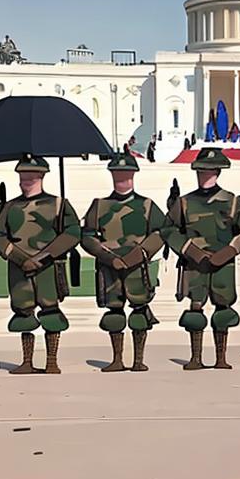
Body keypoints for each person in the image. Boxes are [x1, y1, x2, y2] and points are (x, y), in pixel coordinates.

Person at [0, 154, 81, 374]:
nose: (25, 181)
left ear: (41, 176)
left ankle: (51, 360)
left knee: (51, 313)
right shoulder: (10, 207)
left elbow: (73, 232)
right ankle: (27, 361)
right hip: (19, 268)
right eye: (22, 176)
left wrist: (45, 256)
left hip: (48, 268)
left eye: (30, 176)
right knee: (23, 314)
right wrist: (20, 258)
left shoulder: (58, 205)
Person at [162, 147, 240, 370]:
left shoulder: (232, 201)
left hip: (223, 264)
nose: (206, 174)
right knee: (195, 309)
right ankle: (196, 357)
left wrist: (229, 251)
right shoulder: (184, 202)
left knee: (223, 309)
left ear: (218, 172)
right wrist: (189, 250)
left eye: (210, 171)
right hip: (194, 264)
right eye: (203, 170)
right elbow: (168, 230)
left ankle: (221, 358)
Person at [80, 148, 167, 372]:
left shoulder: (147, 206)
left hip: (138, 269)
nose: (122, 179)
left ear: (133, 175)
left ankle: (138, 359)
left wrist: (137, 256)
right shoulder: (99, 205)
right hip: (110, 269)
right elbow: (87, 236)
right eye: (117, 175)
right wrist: (108, 257)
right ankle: (117, 359)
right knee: (114, 314)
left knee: (139, 312)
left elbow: (160, 233)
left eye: (126, 175)